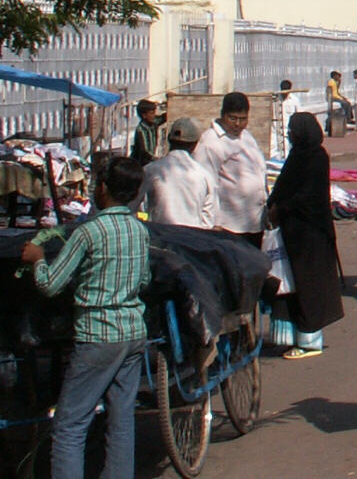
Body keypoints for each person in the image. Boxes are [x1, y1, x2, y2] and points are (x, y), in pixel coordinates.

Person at [23, 156, 150, 479]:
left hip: (98, 336)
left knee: (69, 425)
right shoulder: (139, 229)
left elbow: (51, 285)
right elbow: (144, 280)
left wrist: (37, 259)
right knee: (121, 420)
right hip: (133, 332)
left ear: (103, 189)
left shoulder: (88, 233)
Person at [265, 112, 345, 359]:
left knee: (307, 285)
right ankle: (291, 335)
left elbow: (308, 195)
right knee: (290, 284)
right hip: (294, 233)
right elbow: (284, 186)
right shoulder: (299, 155)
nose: (289, 134)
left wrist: (282, 207)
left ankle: (309, 340)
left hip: (309, 235)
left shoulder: (315, 157)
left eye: (292, 129)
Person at [195, 91, 268, 246]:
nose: (237, 124)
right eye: (232, 118)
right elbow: (206, 184)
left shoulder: (246, 137)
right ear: (223, 115)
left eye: (243, 119)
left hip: (254, 222)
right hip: (228, 225)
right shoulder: (211, 142)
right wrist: (212, 222)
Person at [138, 116, 216, 228]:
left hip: (159, 238)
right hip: (192, 239)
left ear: (169, 139)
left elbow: (139, 206)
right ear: (195, 145)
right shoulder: (205, 176)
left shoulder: (149, 170)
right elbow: (208, 219)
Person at [131, 98, 163, 165]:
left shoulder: (154, 123)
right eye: (152, 113)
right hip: (141, 163)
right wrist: (155, 158)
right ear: (144, 115)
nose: (154, 115)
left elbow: (163, 117)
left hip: (150, 161)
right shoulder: (141, 129)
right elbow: (144, 151)